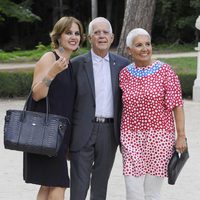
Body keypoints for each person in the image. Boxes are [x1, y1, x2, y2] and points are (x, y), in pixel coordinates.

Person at [119, 28, 187, 200]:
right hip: (131, 138)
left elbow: (177, 105)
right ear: (129, 50)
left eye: (147, 44)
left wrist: (181, 136)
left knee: (151, 194)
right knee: (133, 192)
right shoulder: (124, 74)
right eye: (139, 45)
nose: (144, 49)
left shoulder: (165, 71)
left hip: (159, 138)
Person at [23, 16, 84, 200]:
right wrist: (53, 71)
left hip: (60, 135)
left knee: (48, 183)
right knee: (59, 182)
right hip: (45, 132)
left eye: (77, 33)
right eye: (68, 33)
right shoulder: (50, 58)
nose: (73, 37)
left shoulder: (71, 64)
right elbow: (37, 94)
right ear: (58, 36)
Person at [69, 17, 130, 200]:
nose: (101, 36)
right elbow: (68, 102)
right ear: (89, 38)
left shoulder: (123, 66)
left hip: (109, 133)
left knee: (100, 184)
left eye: (105, 32)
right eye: (97, 32)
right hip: (82, 130)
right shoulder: (76, 65)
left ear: (112, 38)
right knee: (79, 185)